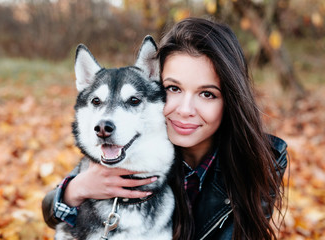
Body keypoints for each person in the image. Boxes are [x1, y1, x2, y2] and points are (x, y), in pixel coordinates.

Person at [42, 17, 288, 240]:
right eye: (173, 88)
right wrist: (75, 190)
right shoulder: (136, 149)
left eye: (207, 94)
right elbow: (52, 210)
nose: (185, 109)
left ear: (231, 99)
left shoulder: (257, 160)